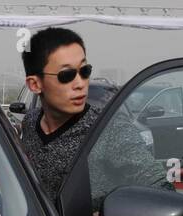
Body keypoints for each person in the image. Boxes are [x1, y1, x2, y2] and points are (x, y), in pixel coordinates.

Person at [18, 27, 167, 206]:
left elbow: (161, 190)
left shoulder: (110, 130)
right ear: (35, 84)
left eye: (84, 71)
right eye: (67, 75)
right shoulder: (30, 122)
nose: (80, 84)